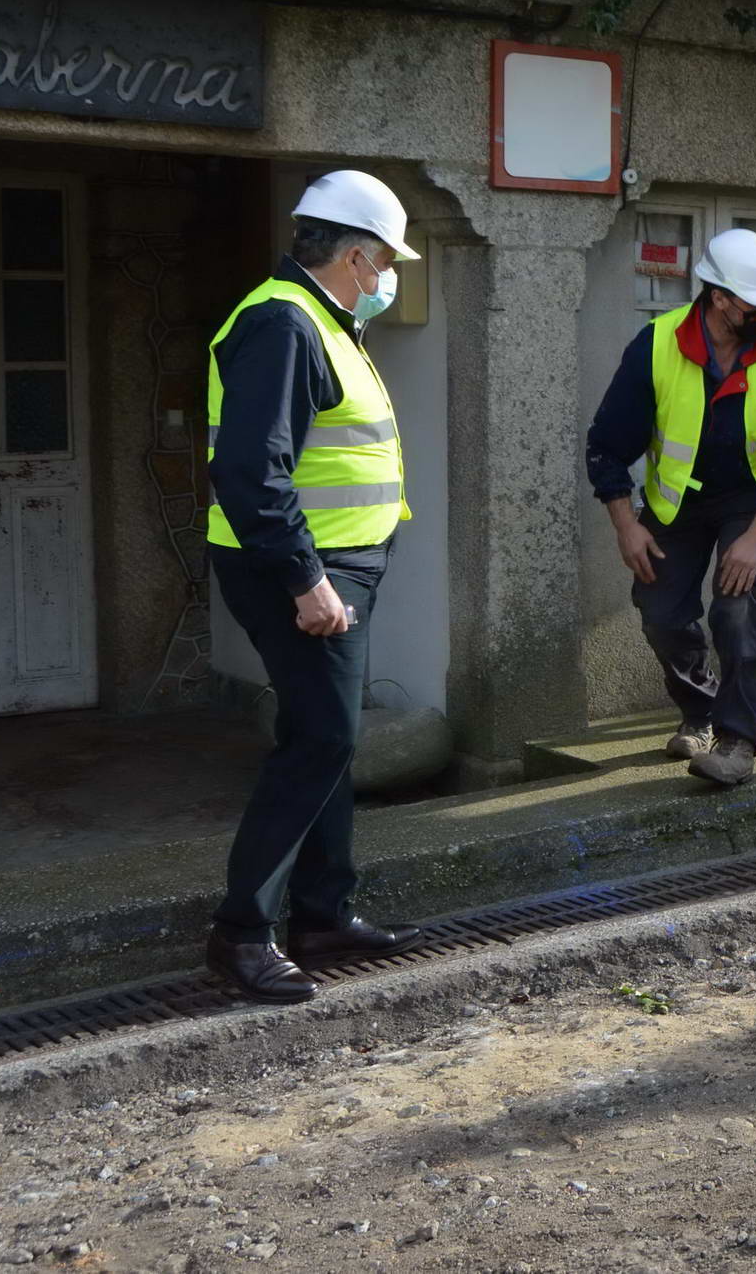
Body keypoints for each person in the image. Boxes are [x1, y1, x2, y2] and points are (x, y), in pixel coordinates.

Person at [203, 170, 425, 1004]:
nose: (386, 277)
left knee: (327, 733)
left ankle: (323, 912)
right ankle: (240, 932)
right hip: (301, 572)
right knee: (321, 740)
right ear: (359, 258)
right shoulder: (284, 323)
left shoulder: (320, 321)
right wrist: (306, 579)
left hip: (334, 566)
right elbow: (250, 470)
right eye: (384, 262)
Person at [587, 229, 756, 788]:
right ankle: (700, 710)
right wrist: (626, 526)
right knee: (661, 613)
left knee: (737, 610)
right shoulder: (657, 344)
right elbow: (607, 444)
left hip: (750, 502)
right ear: (719, 298)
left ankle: (737, 742)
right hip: (677, 500)